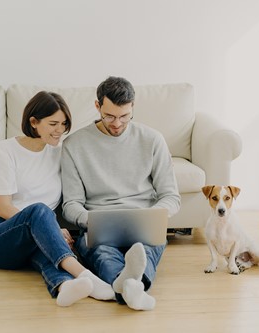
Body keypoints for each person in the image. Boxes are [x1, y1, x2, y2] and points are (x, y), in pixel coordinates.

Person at [0, 91, 115, 307]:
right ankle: (86, 276)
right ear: (33, 122)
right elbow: (3, 208)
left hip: (36, 238)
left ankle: (64, 287)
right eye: (53, 123)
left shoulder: (60, 153)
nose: (60, 130)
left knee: (47, 251)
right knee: (40, 210)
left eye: (63, 123)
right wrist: (49, 226)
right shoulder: (4, 150)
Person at [61, 76, 181, 311]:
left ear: (133, 107)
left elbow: (171, 196)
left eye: (125, 116)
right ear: (97, 106)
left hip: (143, 221)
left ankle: (126, 287)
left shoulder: (152, 139)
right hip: (99, 224)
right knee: (102, 253)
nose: (117, 123)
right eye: (110, 116)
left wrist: (152, 216)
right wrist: (91, 220)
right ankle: (134, 288)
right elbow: (71, 204)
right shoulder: (74, 144)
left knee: (147, 249)